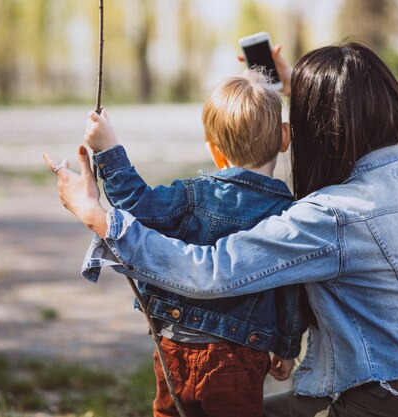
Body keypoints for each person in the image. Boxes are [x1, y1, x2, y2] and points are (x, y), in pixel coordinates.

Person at [44, 42, 398, 417]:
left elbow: (211, 271)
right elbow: (350, 122)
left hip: (382, 401)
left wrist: (97, 217)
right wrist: (299, 88)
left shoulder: (332, 216)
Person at [80, 70, 310, 417]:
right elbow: (292, 292)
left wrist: (109, 150)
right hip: (238, 358)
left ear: (213, 149)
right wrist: (288, 348)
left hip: (172, 346)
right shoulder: (289, 215)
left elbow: (135, 205)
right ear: (284, 137)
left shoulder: (192, 196)